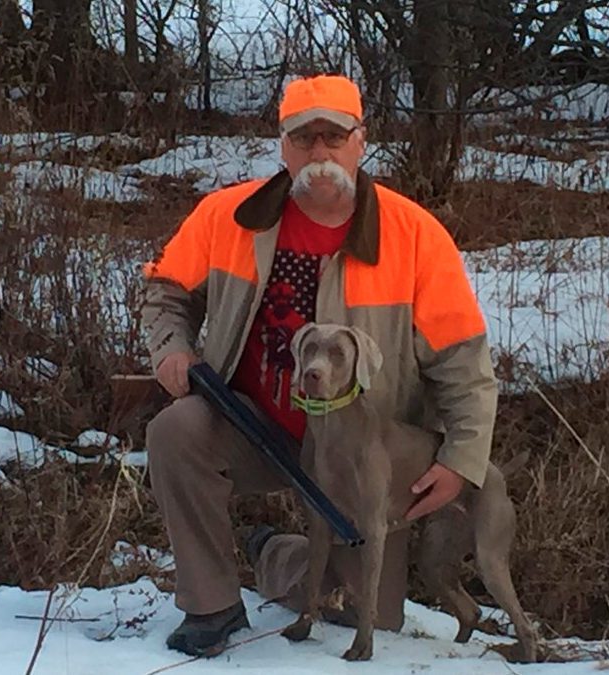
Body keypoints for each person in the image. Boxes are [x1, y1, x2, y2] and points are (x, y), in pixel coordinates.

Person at [142, 73, 498, 657]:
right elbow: (163, 290)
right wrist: (172, 348)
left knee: (372, 618)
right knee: (175, 431)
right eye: (303, 138)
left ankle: (275, 552)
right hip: (253, 425)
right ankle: (211, 604)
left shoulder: (415, 236)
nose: (319, 152)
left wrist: (462, 458)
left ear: (361, 141)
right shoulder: (225, 215)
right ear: (282, 146)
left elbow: (463, 361)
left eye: (334, 136)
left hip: (360, 452)